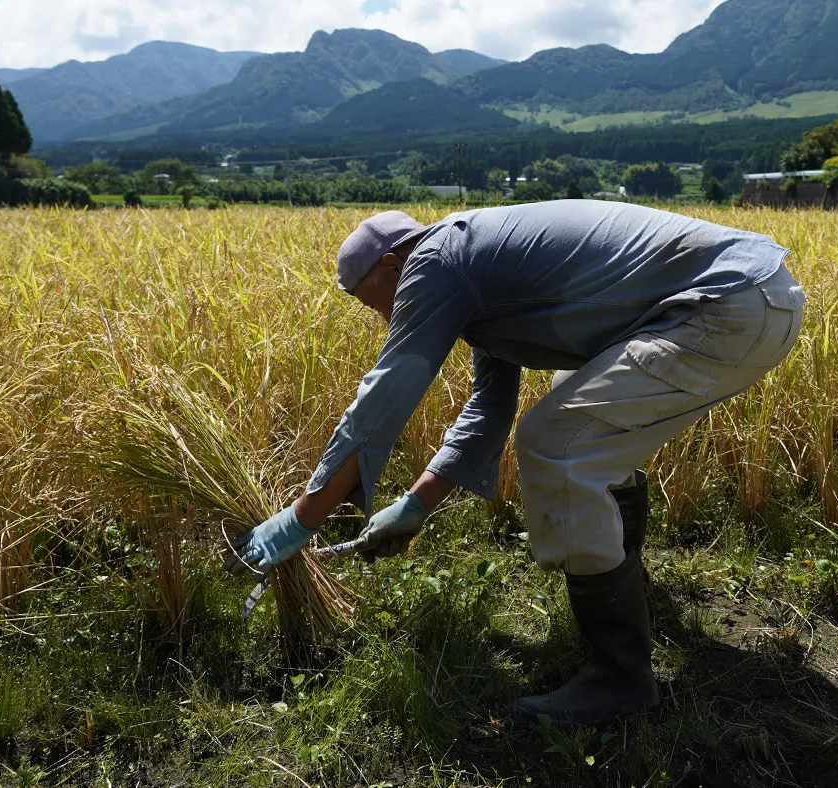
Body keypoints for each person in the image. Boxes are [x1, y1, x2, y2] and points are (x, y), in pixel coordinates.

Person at [224, 201, 805, 726]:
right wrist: (416, 504)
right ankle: (627, 590)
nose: (378, 313)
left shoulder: (435, 262)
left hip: (725, 304)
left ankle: (621, 675)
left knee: (559, 441)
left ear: (391, 266)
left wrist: (301, 519)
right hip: (752, 297)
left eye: (366, 296)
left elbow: (383, 400)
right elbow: (487, 409)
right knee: (576, 400)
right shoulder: (475, 274)